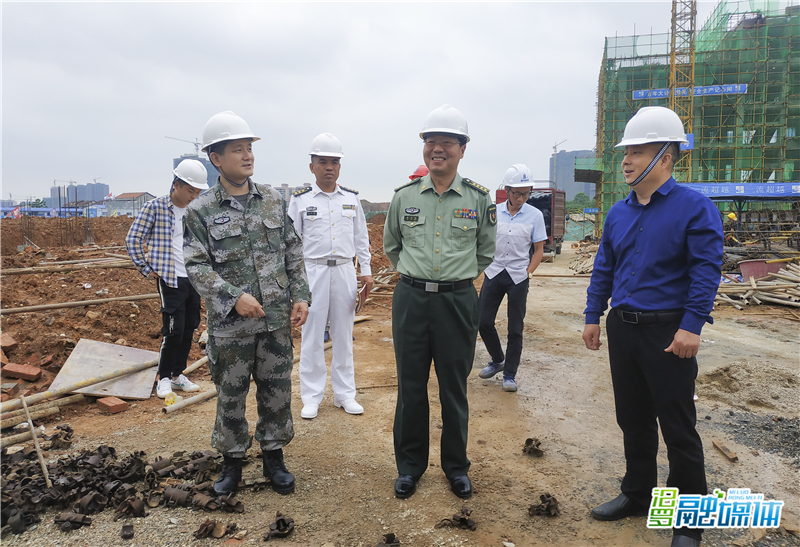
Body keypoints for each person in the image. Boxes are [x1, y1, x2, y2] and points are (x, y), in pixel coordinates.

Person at [582, 106, 723, 547]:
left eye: (637, 152)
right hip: (623, 329)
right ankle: (637, 494)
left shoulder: (694, 208)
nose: (625, 161)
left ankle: (689, 522)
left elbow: (706, 270)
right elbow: (603, 268)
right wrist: (592, 316)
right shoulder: (617, 213)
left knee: (678, 427)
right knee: (634, 420)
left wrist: (692, 326)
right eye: (626, 153)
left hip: (668, 334)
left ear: (665, 156)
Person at [183, 111, 311, 497]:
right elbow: (195, 265)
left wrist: (301, 295)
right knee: (231, 393)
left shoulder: (273, 200)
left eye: (249, 148)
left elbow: (292, 251)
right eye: (237, 149)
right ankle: (232, 460)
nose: (247, 155)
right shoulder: (200, 210)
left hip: (274, 320)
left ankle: (274, 456)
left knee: (276, 391)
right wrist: (233, 296)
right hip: (230, 325)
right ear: (216, 159)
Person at [384, 104, 497, 500]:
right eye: (431, 141)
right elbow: (392, 247)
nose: (437, 149)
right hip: (411, 300)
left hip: (457, 302)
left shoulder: (480, 199)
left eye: (447, 142)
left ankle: (456, 468)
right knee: (411, 386)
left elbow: (485, 252)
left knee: (453, 388)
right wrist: (417, 277)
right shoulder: (403, 197)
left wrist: (454, 277)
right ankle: (409, 467)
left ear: (462, 149)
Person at [287, 133, 373, 419]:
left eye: (334, 162)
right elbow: (291, 244)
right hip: (313, 271)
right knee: (311, 336)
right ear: (312, 166)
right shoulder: (299, 201)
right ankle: (311, 397)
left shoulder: (350, 199)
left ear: (339, 166)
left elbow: (362, 238)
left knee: (343, 334)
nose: (329, 167)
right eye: (322, 161)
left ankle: (345, 394)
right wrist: (294, 284)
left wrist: (367, 272)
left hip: (346, 270)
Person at [125, 159, 208, 399]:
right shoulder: (155, 207)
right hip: (170, 278)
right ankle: (163, 377)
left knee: (190, 327)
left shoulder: (196, 211)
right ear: (176, 185)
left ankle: (177, 374)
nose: (194, 195)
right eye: (190, 190)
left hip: (192, 277)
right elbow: (133, 239)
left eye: (197, 191)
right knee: (173, 329)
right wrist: (145, 266)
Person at [477, 164, 547, 392]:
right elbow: (482, 241)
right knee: (483, 321)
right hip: (494, 272)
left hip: (518, 277)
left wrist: (528, 272)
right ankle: (498, 360)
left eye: (526, 194)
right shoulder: (493, 212)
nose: (521, 198)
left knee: (515, 328)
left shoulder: (535, 215)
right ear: (507, 190)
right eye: (517, 193)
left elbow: (538, 249)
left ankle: (510, 375)